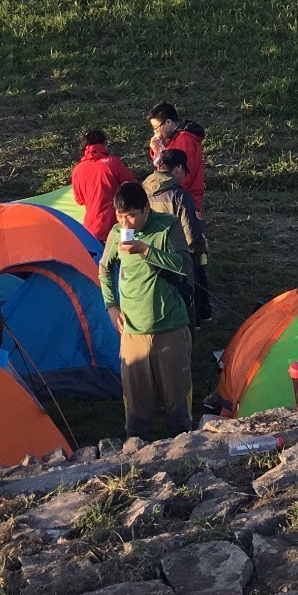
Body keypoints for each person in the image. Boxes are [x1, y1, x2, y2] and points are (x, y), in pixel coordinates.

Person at [100, 183, 191, 443]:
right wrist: (111, 306)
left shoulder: (167, 226)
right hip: (132, 330)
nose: (125, 222)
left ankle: (183, 452)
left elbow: (184, 265)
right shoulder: (117, 233)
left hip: (169, 327)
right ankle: (138, 459)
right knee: (136, 408)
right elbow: (104, 269)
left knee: (177, 405)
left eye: (131, 215)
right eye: (120, 216)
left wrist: (145, 250)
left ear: (146, 209)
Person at [143, 146, 211, 324]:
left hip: (148, 252)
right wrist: (198, 249)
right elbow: (190, 232)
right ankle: (192, 324)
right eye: (184, 172)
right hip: (177, 255)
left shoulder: (143, 190)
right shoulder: (179, 196)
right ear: (178, 168)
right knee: (185, 292)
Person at [71, 132, 136, 242]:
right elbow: (133, 187)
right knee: (126, 255)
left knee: (99, 259)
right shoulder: (112, 162)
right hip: (120, 225)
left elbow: (79, 201)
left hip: (91, 229)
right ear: (103, 144)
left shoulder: (77, 170)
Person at [146, 102, 206, 212]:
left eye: (156, 128)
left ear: (168, 122)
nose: (155, 132)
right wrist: (156, 150)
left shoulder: (184, 140)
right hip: (175, 199)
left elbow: (183, 174)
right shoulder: (175, 139)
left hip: (182, 202)